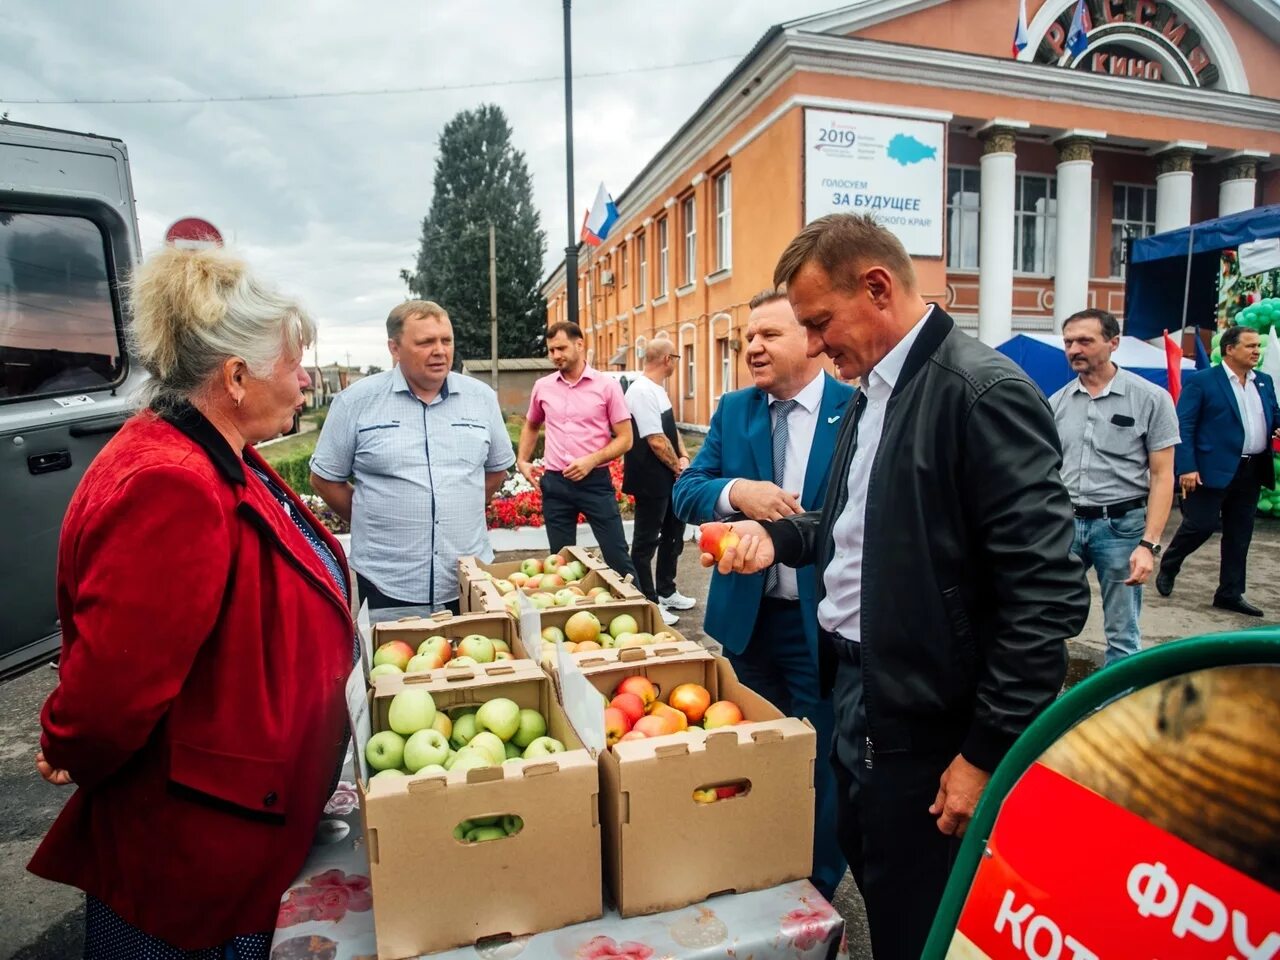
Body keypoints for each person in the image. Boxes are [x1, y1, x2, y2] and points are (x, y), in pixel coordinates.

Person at [703, 214, 1089, 960]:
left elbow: (1044, 596)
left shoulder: (979, 392)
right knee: (874, 871)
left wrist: (985, 751)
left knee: (919, 914)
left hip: (928, 719)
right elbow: (855, 525)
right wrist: (778, 536)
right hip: (858, 691)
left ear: (876, 287)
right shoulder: (876, 388)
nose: (814, 345)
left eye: (819, 322)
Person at [29, 247, 355, 959]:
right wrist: (68, 739)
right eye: (293, 367)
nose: (304, 385)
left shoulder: (215, 446)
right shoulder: (171, 484)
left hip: (240, 819)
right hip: (197, 858)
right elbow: (115, 687)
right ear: (235, 377)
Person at [672, 288, 853, 900]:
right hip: (746, 624)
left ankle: (816, 890)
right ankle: (754, 874)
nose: (752, 347)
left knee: (821, 763)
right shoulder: (734, 410)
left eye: (768, 335)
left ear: (810, 338)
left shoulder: (855, 410)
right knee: (749, 755)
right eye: (748, 337)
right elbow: (687, 490)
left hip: (822, 626)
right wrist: (737, 492)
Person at [309, 300, 513, 614]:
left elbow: (496, 471)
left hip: (469, 578)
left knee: (474, 660)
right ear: (394, 347)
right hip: (387, 582)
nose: (440, 350)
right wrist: (373, 518)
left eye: (446, 340)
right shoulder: (355, 403)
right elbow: (325, 479)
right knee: (390, 663)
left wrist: (456, 507)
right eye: (425, 342)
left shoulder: (481, 399)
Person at [1048, 309, 1179, 663]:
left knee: (1122, 633)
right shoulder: (1055, 403)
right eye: (1069, 342)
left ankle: (1118, 709)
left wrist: (1148, 545)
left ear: (1113, 343)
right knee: (1046, 619)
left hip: (1121, 528)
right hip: (1065, 527)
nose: (1074, 349)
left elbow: (1163, 475)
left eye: (1085, 341)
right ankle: (1051, 709)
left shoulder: (1150, 398)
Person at [1156, 324, 1280, 615]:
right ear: (1230, 349)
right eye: (1250, 346)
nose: (1256, 352)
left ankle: (1230, 593)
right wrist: (1186, 467)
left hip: (1251, 469)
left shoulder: (1263, 381)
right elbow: (1183, 425)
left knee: (1239, 534)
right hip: (1210, 469)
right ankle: (1170, 564)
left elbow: (1273, 414)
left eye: (1258, 347)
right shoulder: (1203, 381)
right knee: (1200, 526)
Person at [518, 321, 637, 578]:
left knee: (617, 556)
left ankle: (643, 612)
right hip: (555, 484)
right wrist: (522, 460)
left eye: (561, 348)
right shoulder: (543, 387)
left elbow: (626, 439)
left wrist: (591, 461)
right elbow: (531, 424)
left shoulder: (606, 386)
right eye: (551, 350)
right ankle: (571, 616)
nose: (555, 355)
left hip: (594, 482)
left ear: (579, 344)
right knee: (560, 563)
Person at [622, 339, 693, 626]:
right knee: (645, 542)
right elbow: (654, 439)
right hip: (650, 479)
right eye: (675, 357)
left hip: (668, 476)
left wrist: (685, 456)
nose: (676, 362)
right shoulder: (640, 391)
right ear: (667, 359)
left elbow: (670, 429)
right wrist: (678, 468)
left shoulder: (659, 390)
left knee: (673, 535)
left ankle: (667, 590)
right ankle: (649, 601)